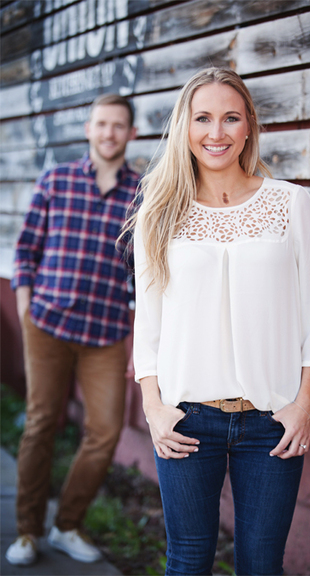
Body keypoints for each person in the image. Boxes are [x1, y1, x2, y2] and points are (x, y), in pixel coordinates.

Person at [126, 67, 310, 575]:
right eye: (203, 118)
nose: (215, 133)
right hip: (186, 420)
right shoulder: (160, 209)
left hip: (271, 423)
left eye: (230, 118)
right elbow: (147, 322)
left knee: (262, 565)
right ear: (184, 127)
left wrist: (306, 404)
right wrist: (154, 408)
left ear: (248, 126)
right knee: (188, 561)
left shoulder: (290, 202)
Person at [6, 94, 139, 566]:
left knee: (104, 431)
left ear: (131, 134)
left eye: (118, 125)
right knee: (41, 423)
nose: (108, 133)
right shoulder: (56, 179)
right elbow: (26, 249)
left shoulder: (141, 194)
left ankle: (66, 525)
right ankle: (26, 532)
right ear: (88, 129)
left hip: (105, 332)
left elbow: (142, 272)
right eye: (101, 124)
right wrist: (24, 306)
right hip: (48, 322)